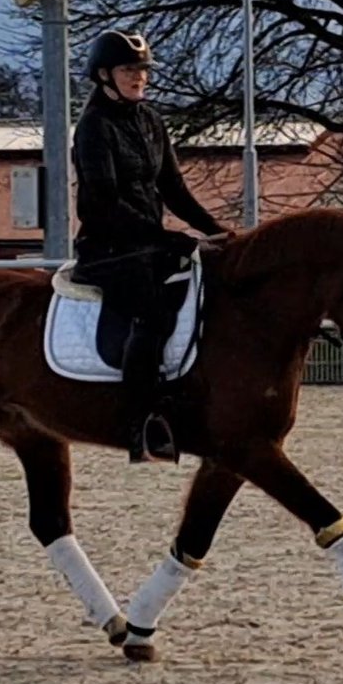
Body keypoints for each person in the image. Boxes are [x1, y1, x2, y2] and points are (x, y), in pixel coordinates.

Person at [70, 29, 231, 464]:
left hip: (147, 243)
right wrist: (163, 236)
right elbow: (105, 199)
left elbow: (173, 187)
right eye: (129, 70)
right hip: (109, 247)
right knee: (152, 311)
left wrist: (216, 231)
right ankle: (141, 423)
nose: (139, 78)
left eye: (142, 70)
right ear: (104, 74)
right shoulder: (93, 127)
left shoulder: (150, 120)